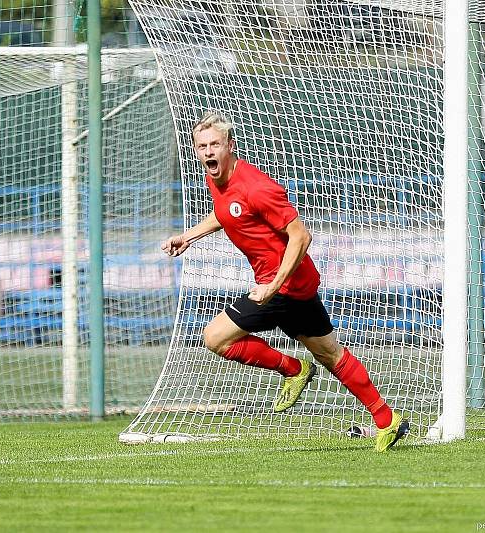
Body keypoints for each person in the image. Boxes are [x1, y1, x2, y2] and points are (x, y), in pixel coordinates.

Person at [163, 112, 409, 451]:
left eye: (215, 144)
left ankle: (292, 369)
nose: (208, 151)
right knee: (331, 354)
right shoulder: (215, 179)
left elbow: (301, 236)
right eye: (202, 146)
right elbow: (226, 213)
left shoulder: (257, 187)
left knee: (215, 338)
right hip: (296, 285)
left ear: (230, 146)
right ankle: (386, 419)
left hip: (284, 287)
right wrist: (189, 236)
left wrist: (274, 285)